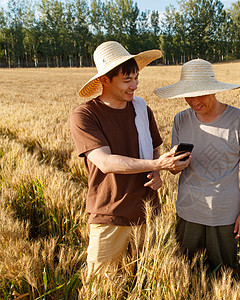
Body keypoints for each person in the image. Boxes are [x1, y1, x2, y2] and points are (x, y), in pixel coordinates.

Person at [69, 41, 190, 280]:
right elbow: (105, 162)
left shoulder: (142, 110)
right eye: (127, 80)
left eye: (136, 79)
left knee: (145, 281)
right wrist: (158, 165)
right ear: (104, 80)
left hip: (148, 214)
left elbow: (154, 147)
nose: (134, 86)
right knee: (100, 287)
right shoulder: (85, 115)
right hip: (110, 214)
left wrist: (156, 170)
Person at [154, 59, 240, 270]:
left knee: (223, 273)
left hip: (224, 212)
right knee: (188, 272)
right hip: (188, 210)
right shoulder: (181, 119)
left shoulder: (239, 119)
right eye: (188, 95)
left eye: (200, 94)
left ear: (213, 89)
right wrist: (173, 166)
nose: (194, 101)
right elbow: (175, 168)